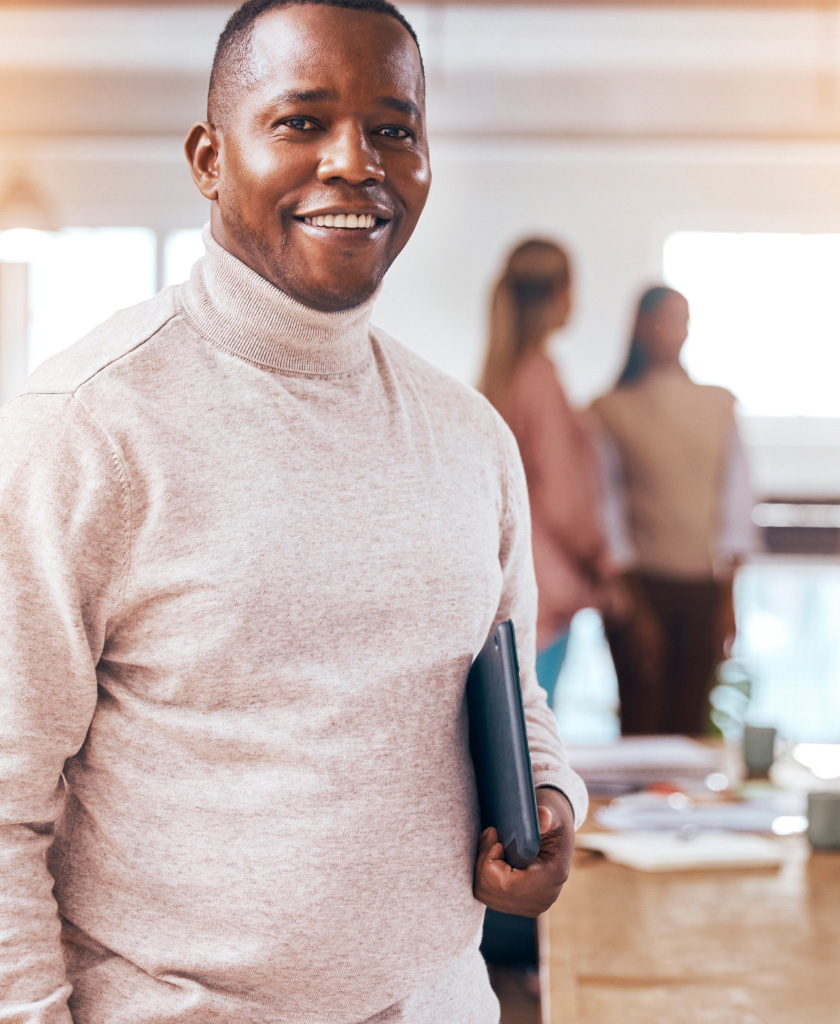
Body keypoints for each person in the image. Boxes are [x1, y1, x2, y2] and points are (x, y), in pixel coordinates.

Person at [0, 3, 587, 1023]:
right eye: (302, 121)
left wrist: (547, 801)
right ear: (208, 158)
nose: (355, 162)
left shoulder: (469, 435)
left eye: (392, 127)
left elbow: (510, 695)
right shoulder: (88, 425)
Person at [591, 285, 755, 736]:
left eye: (681, 320)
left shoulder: (720, 405)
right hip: (639, 588)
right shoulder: (610, 410)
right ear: (640, 327)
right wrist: (635, 608)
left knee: (691, 727)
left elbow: (735, 505)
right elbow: (607, 512)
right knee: (642, 724)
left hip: (703, 588)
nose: (672, 330)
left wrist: (728, 599)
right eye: (661, 319)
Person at [478, 238, 613, 709]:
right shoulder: (541, 378)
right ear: (557, 293)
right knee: (538, 733)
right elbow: (565, 498)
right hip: (546, 587)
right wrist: (602, 561)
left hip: (510, 581)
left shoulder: (497, 376)